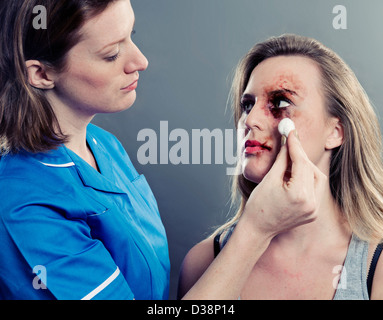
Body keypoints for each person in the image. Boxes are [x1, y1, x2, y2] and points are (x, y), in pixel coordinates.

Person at [178, 34, 383, 300]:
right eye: (247, 105)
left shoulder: (375, 268)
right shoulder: (204, 261)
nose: (250, 120)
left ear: (335, 132)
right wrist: (253, 232)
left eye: (280, 102)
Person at [0, 0, 169, 299]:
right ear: (41, 74)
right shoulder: (24, 202)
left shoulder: (103, 144)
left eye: (132, 35)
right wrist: (254, 231)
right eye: (112, 54)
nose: (140, 61)